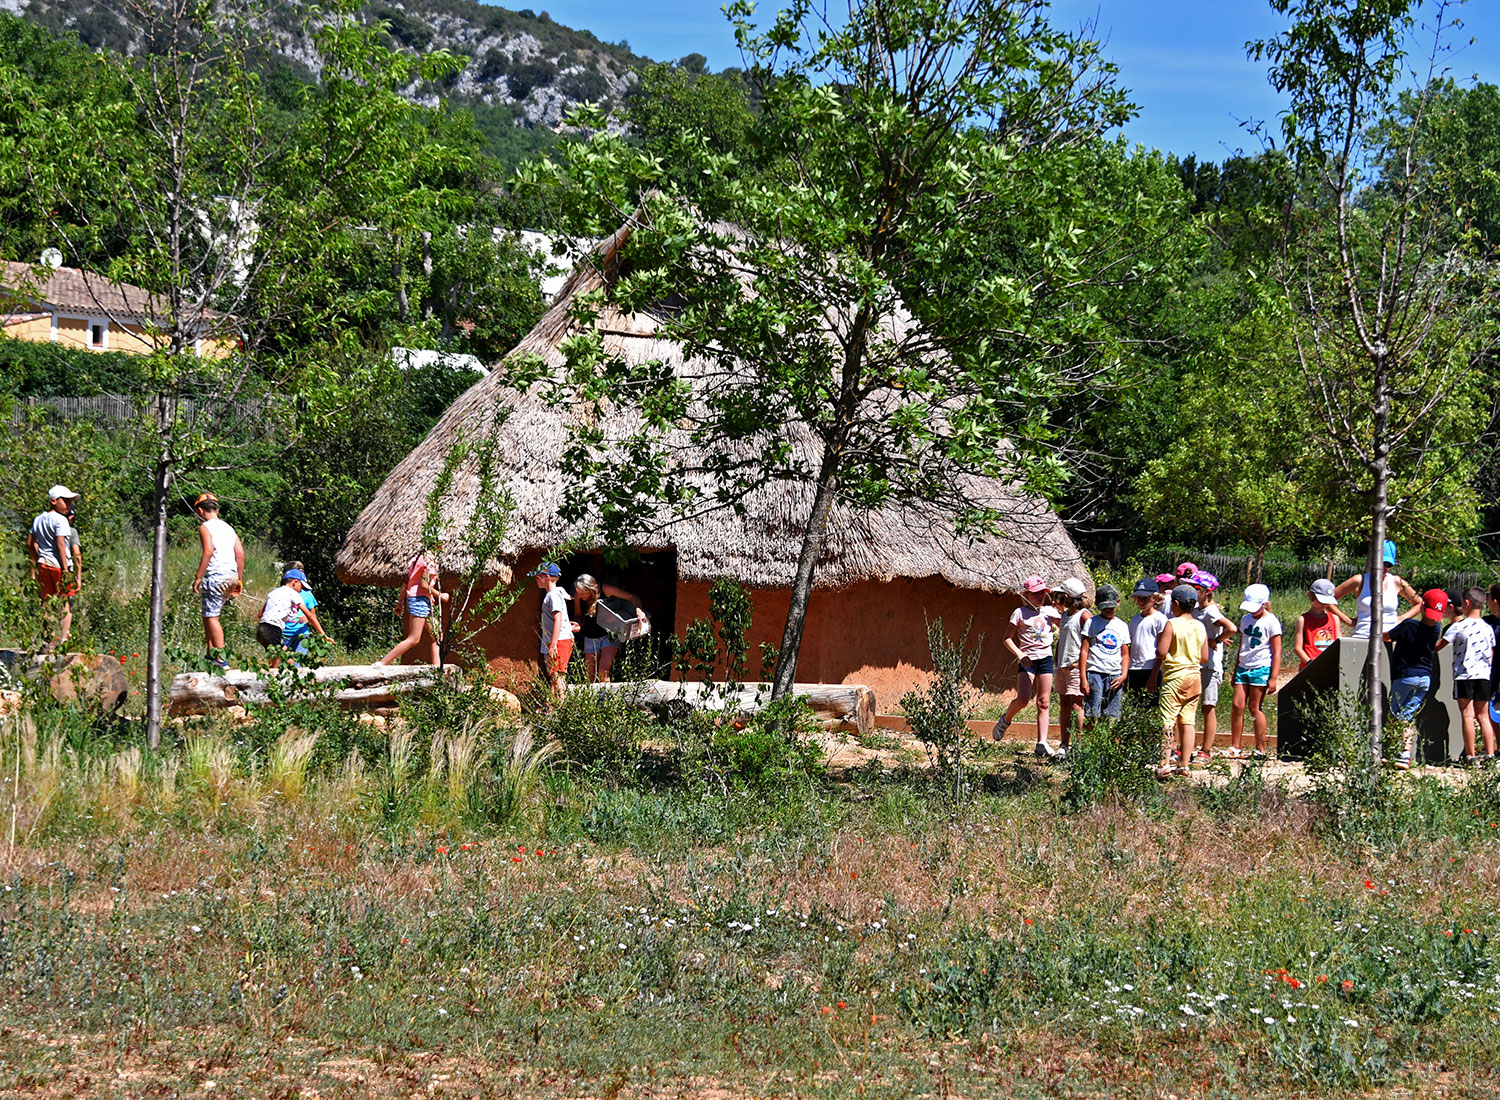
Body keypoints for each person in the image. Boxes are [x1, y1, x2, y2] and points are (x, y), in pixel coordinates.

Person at [991, 575, 1061, 758]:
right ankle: (1005, 720)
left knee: (1044, 702)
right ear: (1026, 595)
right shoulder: (1019, 613)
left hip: (1045, 659)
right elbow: (1007, 638)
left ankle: (1042, 743)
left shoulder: (1049, 612)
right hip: (1028, 660)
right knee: (1023, 699)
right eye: (1036, 593)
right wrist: (1020, 654)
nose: (1041, 597)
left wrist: (1061, 617)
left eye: (1043, 593)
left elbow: (1067, 624)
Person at [1383, 589, 1447, 770]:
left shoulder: (1409, 625)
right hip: (1425, 679)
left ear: (1422, 606)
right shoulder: (1437, 628)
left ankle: (1399, 753)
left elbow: (1387, 636)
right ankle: (1405, 755)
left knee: (1396, 716)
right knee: (1407, 716)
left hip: (1405, 677)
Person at [1435, 587, 1497, 765]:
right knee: (1484, 716)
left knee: (1468, 716)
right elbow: (1491, 653)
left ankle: (1471, 756)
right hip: (1484, 676)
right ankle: (1490, 755)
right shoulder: (1488, 628)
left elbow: (1438, 646)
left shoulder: (1458, 626)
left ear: (1467, 603)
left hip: (1464, 676)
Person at [1155, 584, 1207, 779]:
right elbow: (1204, 656)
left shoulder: (1172, 624)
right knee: (1188, 721)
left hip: (1175, 677)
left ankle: (1164, 764)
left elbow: (1161, 652)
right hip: (1195, 677)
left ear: (1175, 604)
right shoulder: (1200, 625)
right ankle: (1184, 764)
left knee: (1167, 721)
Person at [1229, 583, 1282, 760]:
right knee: (1237, 705)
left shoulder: (1272, 621)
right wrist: (1236, 668)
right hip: (1243, 667)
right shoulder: (1245, 620)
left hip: (1261, 668)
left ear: (1265, 603)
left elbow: (1276, 651)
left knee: (1254, 708)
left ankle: (1261, 748)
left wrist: (1273, 677)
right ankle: (1235, 746)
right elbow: (1242, 645)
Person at [191, 493, 244, 668]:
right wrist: (239, 580)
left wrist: (198, 577)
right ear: (217, 509)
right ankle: (210, 653)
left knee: (212, 617)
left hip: (215, 575)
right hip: (231, 575)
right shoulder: (229, 528)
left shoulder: (205, 527)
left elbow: (208, 551)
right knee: (208, 614)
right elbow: (240, 553)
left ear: (200, 510)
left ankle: (221, 659)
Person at [374, 542, 445, 667]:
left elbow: (406, 582)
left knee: (438, 637)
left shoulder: (417, 557)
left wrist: (400, 602)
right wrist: (440, 595)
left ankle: (438, 672)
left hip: (417, 598)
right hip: (420, 599)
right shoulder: (430, 560)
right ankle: (382, 663)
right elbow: (424, 585)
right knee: (413, 639)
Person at [26, 485, 81, 648]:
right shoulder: (61, 520)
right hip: (59, 566)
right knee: (65, 602)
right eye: (65, 501)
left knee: (47, 601)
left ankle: (47, 640)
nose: (68, 505)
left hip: (44, 565)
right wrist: (65, 570)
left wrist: (37, 560)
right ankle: (64, 639)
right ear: (53, 501)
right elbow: (60, 544)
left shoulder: (39, 519)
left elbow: (30, 543)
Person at [1191, 571, 1236, 767]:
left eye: (1197, 588)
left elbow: (1231, 628)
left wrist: (1216, 640)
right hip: (1196, 663)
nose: (1194, 591)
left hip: (1210, 665)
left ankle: (1206, 750)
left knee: (1208, 706)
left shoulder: (1211, 611)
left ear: (1207, 592)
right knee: (1190, 706)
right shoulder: (1195, 610)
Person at [1334, 539, 1419, 640]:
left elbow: (1419, 603)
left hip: (1389, 639)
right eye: (1381, 562)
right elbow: (1328, 599)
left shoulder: (1397, 582)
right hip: (1363, 637)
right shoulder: (1359, 581)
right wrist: (1347, 620)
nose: (1383, 567)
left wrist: (1402, 618)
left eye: (1388, 564)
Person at [573, 573, 648, 683]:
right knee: (589, 675)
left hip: (609, 635)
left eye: (582, 593)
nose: (580, 595)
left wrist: (639, 610)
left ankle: (605, 698)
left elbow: (633, 597)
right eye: (578, 593)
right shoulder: (578, 597)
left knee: (603, 671)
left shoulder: (605, 589)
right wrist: (578, 624)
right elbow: (578, 616)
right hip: (590, 636)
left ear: (590, 588)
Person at [1080, 584, 1130, 726]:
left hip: (1114, 674)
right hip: (1095, 672)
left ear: (1118, 603)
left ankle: (1103, 744)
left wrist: (1123, 675)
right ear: (1097, 605)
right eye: (1104, 607)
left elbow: (1125, 654)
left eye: (1111, 607)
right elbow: (1084, 650)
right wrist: (1083, 678)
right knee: (1091, 712)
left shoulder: (1122, 626)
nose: (1108, 610)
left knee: (1109, 713)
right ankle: (1090, 744)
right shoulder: (1092, 622)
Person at [1053, 577, 1091, 758]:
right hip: (1062, 666)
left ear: (1066, 596)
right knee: (1064, 704)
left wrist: (1079, 663)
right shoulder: (1065, 616)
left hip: (1076, 667)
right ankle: (1064, 744)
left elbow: (1090, 642)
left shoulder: (1084, 616)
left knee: (1077, 705)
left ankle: (1079, 745)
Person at [534, 561, 578, 694]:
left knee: (558, 675)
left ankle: (560, 707)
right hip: (557, 640)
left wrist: (553, 645)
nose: (536, 579)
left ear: (546, 577)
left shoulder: (553, 595)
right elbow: (560, 618)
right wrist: (568, 625)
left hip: (558, 641)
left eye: (538, 577)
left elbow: (557, 618)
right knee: (554, 674)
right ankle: (553, 706)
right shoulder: (555, 594)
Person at [257, 569, 311, 669]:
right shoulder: (293, 593)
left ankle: (276, 677)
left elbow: (260, 614)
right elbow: (311, 616)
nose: (301, 590)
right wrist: (323, 634)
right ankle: (274, 681)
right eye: (301, 586)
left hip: (262, 628)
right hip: (273, 629)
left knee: (286, 657)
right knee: (278, 663)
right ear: (295, 582)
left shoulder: (273, 592)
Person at [1292, 578, 1347, 670]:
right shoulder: (1303, 620)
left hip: (1330, 666)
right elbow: (1298, 648)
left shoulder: (1334, 619)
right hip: (1309, 666)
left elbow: (1338, 645)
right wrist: (1310, 663)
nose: (1324, 604)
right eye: (1321, 600)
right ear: (1311, 596)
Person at [278, 561, 329, 658]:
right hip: (283, 634)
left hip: (301, 634)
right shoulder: (281, 592)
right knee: (281, 664)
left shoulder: (307, 594)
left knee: (298, 664)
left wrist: (307, 617)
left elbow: (312, 614)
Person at [1126, 578, 1167, 700]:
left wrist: (1154, 675)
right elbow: (1131, 644)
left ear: (1155, 598)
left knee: (1150, 705)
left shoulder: (1160, 619)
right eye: (1138, 598)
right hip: (1134, 668)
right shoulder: (1134, 620)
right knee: (1134, 705)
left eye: (1145, 598)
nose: (1141, 602)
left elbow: (1161, 649)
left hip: (1150, 667)